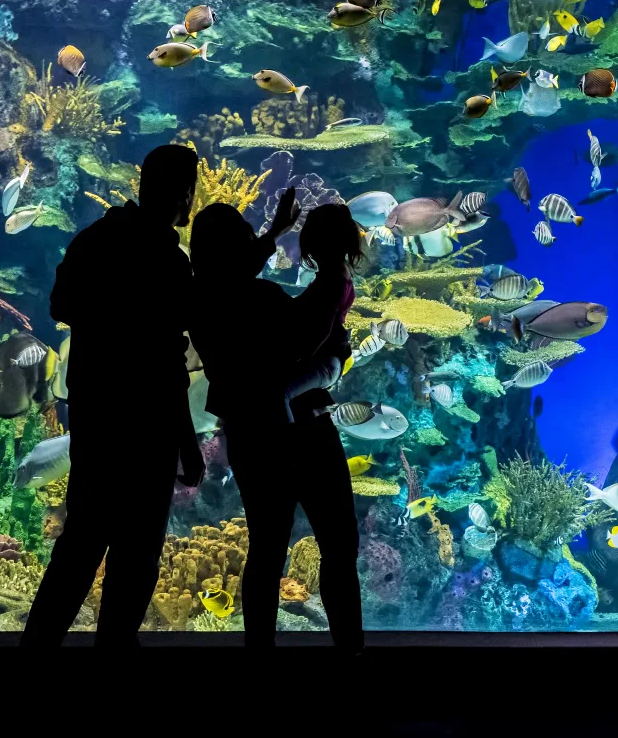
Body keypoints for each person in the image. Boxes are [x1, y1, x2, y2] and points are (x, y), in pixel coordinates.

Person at [21, 144, 205, 646]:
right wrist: (188, 446)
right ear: (184, 194)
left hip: (97, 418)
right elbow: (168, 365)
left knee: (81, 541)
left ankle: (34, 651)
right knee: (137, 549)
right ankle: (114, 656)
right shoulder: (169, 262)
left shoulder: (93, 240)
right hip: (146, 429)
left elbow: (61, 304)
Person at [190, 201, 363, 651]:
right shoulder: (259, 298)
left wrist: (274, 233)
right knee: (339, 543)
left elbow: (226, 277)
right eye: (246, 237)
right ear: (236, 249)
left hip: (248, 437)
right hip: (302, 431)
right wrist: (336, 357)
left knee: (266, 551)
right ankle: (350, 651)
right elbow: (301, 338)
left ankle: (259, 659)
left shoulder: (201, 303)